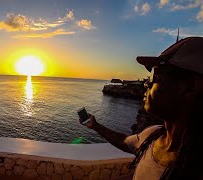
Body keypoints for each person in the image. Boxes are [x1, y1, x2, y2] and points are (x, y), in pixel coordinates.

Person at [80, 37, 203, 180]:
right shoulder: (153, 136)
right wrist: (95, 125)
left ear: (190, 87)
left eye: (154, 75)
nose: (146, 83)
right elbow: (125, 141)